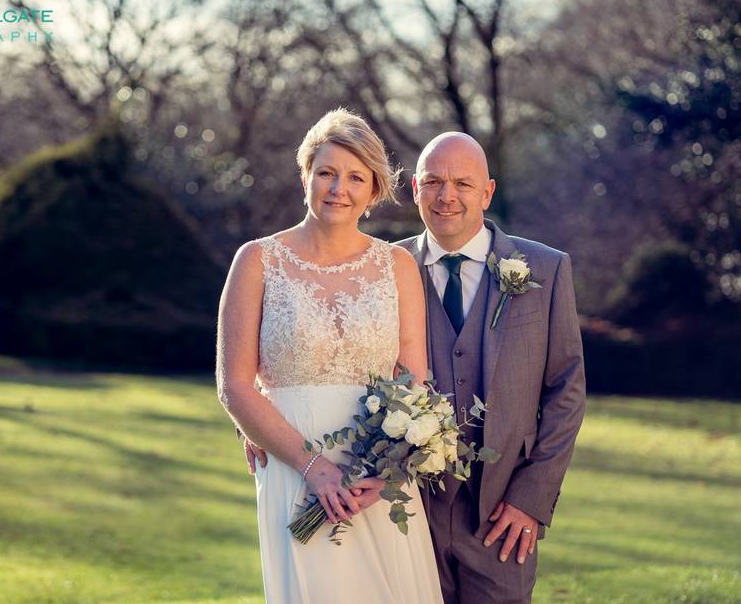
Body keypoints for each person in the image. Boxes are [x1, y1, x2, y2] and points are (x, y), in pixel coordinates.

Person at [216, 109, 444, 604]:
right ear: (306, 175)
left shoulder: (398, 266)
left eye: (356, 177)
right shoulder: (257, 261)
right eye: (327, 172)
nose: (339, 187)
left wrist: (381, 473)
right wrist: (313, 466)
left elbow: (413, 379)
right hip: (292, 467)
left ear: (374, 190)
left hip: (375, 480)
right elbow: (233, 385)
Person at [394, 132, 586, 603]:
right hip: (407, 511)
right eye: (433, 182)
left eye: (463, 183)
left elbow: (566, 391)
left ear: (488, 192)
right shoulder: (384, 269)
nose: (447, 196)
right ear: (415, 189)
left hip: (503, 512)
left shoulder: (545, 268)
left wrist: (531, 498)